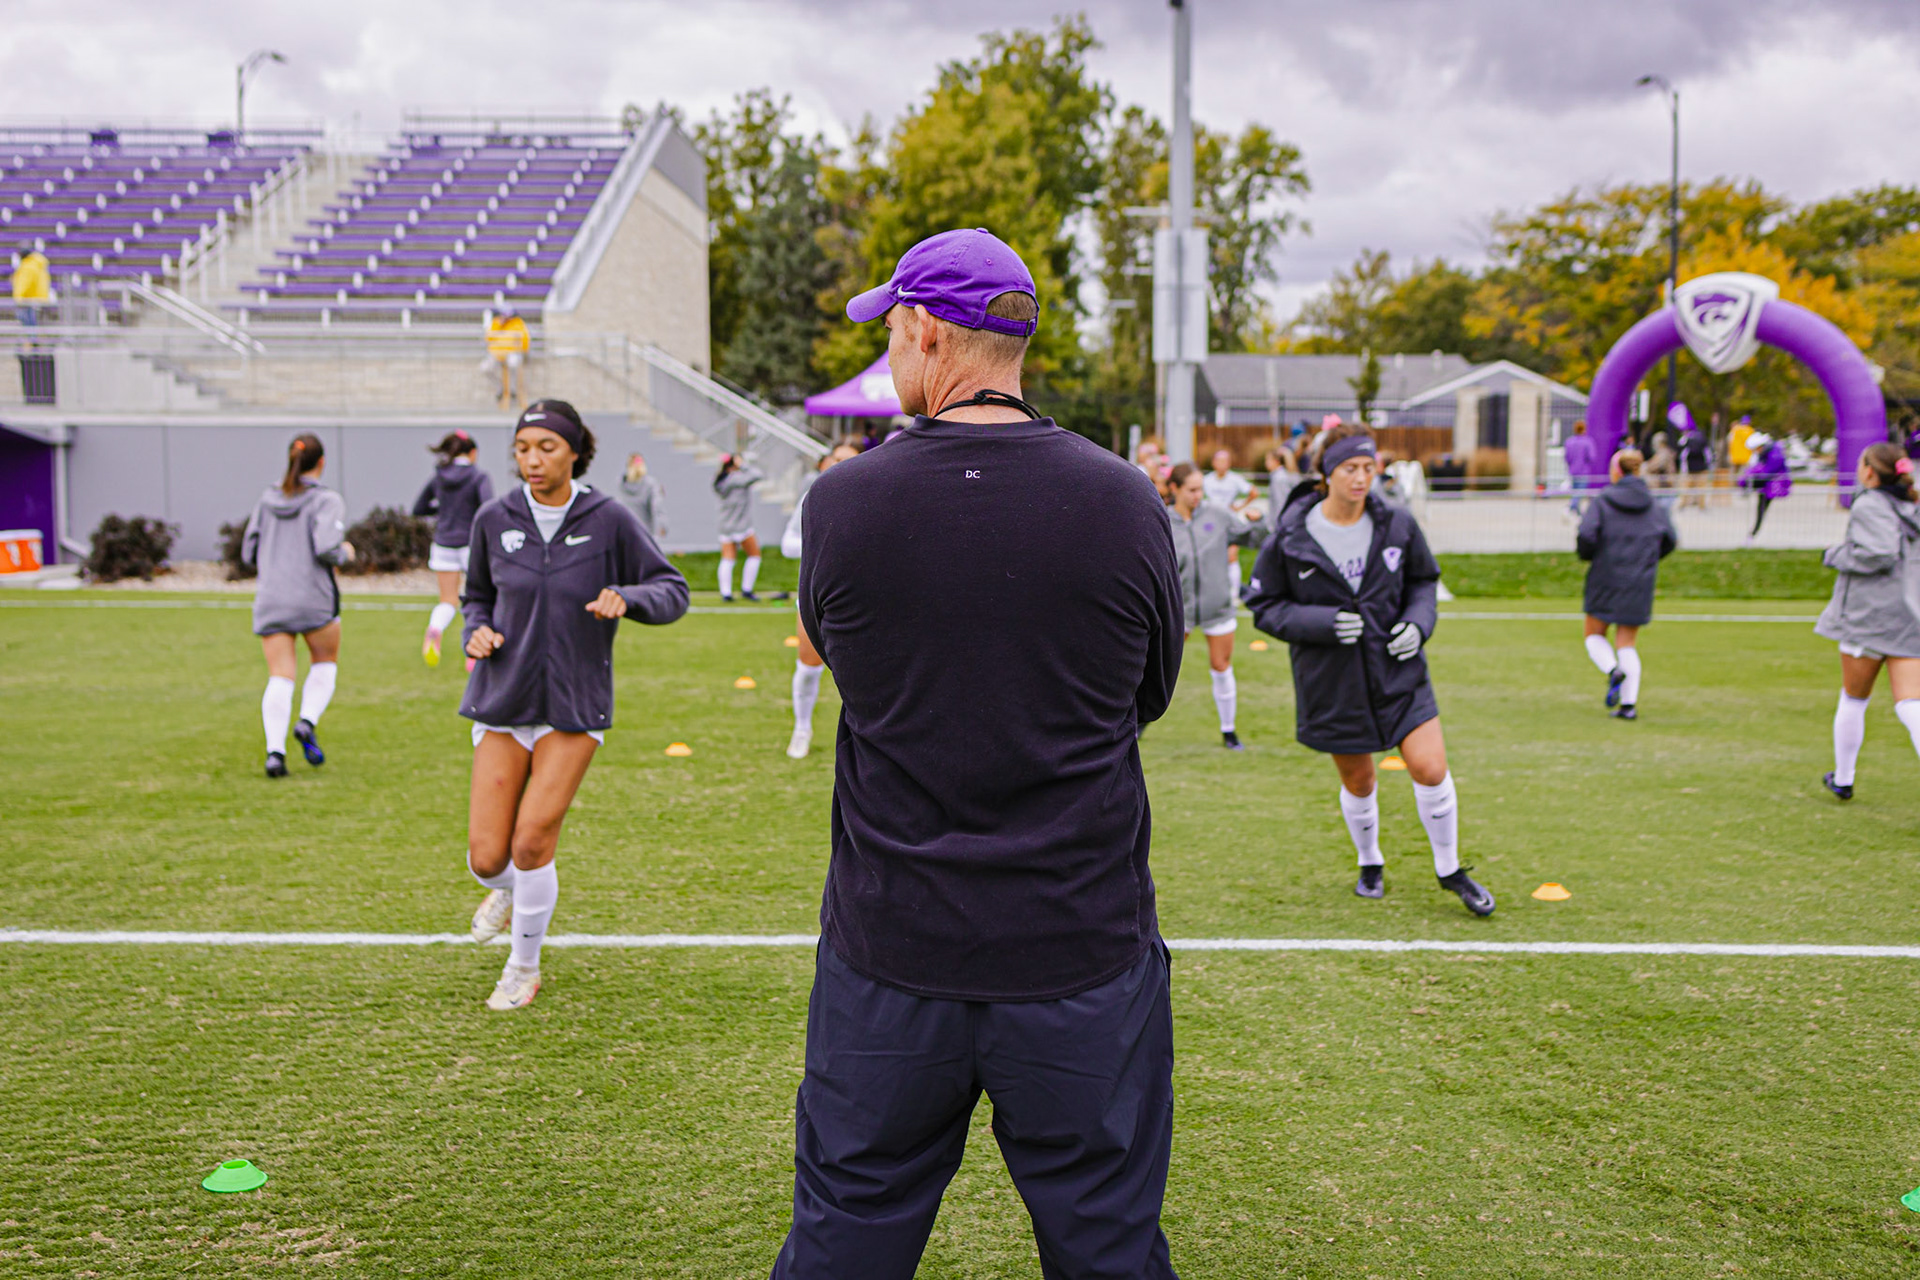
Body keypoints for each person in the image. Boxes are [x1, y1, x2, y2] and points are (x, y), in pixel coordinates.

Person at [775, 227, 1184, 1277]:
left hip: (892, 951)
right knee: (1108, 1244)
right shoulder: (1124, 498)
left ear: (921, 329)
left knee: (844, 1239)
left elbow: (847, 666)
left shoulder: (845, 500)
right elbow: (1147, 693)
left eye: (894, 331)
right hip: (1078, 948)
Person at [459, 400, 689, 1011]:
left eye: (546, 448)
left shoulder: (608, 518)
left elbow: (673, 590)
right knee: (488, 857)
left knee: (532, 842)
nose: (532, 461)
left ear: (575, 451)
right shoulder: (494, 517)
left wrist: (629, 597)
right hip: (501, 700)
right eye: (522, 449)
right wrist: (474, 633)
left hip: (575, 704)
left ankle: (523, 967)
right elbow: (475, 596)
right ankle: (508, 891)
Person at [1248, 421, 1494, 916]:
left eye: (1368, 466)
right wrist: (1321, 622)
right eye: (1349, 468)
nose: (1361, 478)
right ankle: (1370, 862)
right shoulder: (1292, 536)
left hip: (1399, 673)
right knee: (1359, 781)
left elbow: (1424, 582)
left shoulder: (1397, 523)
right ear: (1327, 473)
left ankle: (1450, 870)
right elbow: (1264, 605)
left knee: (1430, 767)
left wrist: (1417, 624)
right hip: (1332, 684)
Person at [241, 433, 356, 779]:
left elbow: (248, 552)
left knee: (280, 675)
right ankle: (307, 721)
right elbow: (325, 547)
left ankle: (274, 753)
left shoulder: (267, 498)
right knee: (324, 662)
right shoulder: (327, 501)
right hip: (312, 598)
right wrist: (346, 554)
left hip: (273, 599)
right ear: (321, 463)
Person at [1814, 443, 1920, 800]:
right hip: (1910, 613)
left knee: (1854, 698)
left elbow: (1878, 553)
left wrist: (1836, 555)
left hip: (1870, 615)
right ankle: (1841, 777)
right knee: (1910, 704)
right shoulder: (1912, 504)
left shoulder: (1870, 503)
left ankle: (1843, 778)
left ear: (1870, 471)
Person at [1576, 449, 1677, 722]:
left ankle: (1612, 671)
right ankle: (1629, 705)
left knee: (1594, 633)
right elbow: (1670, 538)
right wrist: (1648, 559)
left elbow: (1586, 534)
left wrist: (1590, 555)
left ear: (1616, 471)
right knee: (1627, 642)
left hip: (1606, 576)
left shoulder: (1603, 501)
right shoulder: (1654, 504)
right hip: (1639, 579)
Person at [1168, 461, 1262, 749]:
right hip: (1178, 609)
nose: (1198, 496)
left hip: (1217, 607)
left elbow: (1254, 537)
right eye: (1192, 490)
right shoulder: (1162, 519)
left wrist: (1259, 521)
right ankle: (1137, 724)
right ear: (1175, 489)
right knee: (1157, 668)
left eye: (1201, 489)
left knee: (1221, 666)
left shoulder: (1218, 515)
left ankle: (1229, 731)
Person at [780, 438, 862, 760]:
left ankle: (866, 738)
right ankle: (802, 729)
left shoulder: (871, 493)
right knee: (809, 664)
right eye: (835, 458)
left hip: (862, 596)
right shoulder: (813, 497)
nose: (839, 465)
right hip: (819, 593)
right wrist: (823, 548)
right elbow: (788, 543)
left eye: (848, 459)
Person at [412, 430, 494, 669]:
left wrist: (444, 511)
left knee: (447, 600)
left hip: (444, 543)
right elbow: (488, 509)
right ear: (472, 453)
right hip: (471, 546)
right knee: (478, 599)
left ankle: (434, 629)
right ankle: (473, 651)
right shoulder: (479, 476)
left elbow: (418, 508)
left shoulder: (439, 476)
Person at [712, 453, 765, 601]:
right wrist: (743, 465)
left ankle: (726, 593)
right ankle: (746, 590)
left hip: (725, 525)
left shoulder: (720, 480)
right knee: (754, 555)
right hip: (741, 524)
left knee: (728, 559)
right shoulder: (737, 479)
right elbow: (758, 475)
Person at [1741, 431, 1792, 542]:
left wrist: (1754, 475)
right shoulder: (1766, 454)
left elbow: (1768, 471)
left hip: (1773, 485)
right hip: (1768, 484)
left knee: (1762, 507)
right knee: (1761, 508)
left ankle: (1753, 532)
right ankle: (1753, 532)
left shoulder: (1774, 455)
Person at [485, 306, 530, 410]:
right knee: (486, 368)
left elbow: (524, 340)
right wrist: (499, 326)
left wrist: (523, 352)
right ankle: (501, 388)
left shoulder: (517, 323)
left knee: (512, 364)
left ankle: (512, 390)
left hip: (512, 352)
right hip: (497, 353)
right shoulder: (496, 323)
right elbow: (488, 338)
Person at [618, 452, 666, 541]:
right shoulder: (651, 484)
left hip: (625, 532)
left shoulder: (621, 485)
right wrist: (661, 526)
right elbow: (657, 508)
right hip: (646, 533)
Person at [1563, 419, 1604, 514]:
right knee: (1579, 492)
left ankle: (1577, 512)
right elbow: (1592, 457)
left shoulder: (1569, 441)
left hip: (1573, 470)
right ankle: (1570, 508)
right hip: (1583, 471)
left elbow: (1567, 457)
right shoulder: (1587, 442)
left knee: (1575, 491)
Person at [1677, 405, 1714, 510]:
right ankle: (1701, 506)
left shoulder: (1686, 439)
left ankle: (1683, 504)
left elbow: (1682, 454)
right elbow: (1708, 454)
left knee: (1685, 488)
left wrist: (1683, 468)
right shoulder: (1702, 439)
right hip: (1701, 468)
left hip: (1689, 468)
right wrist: (1709, 466)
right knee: (1701, 489)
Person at [11, 243, 50, 326]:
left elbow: (24, 284)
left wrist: (18, 298)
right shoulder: (36, 263)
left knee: (27, 322)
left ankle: (31, 338)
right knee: (33, 322)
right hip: (38, 298)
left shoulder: (28, 266)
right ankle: (33, 337)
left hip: (28, 300)